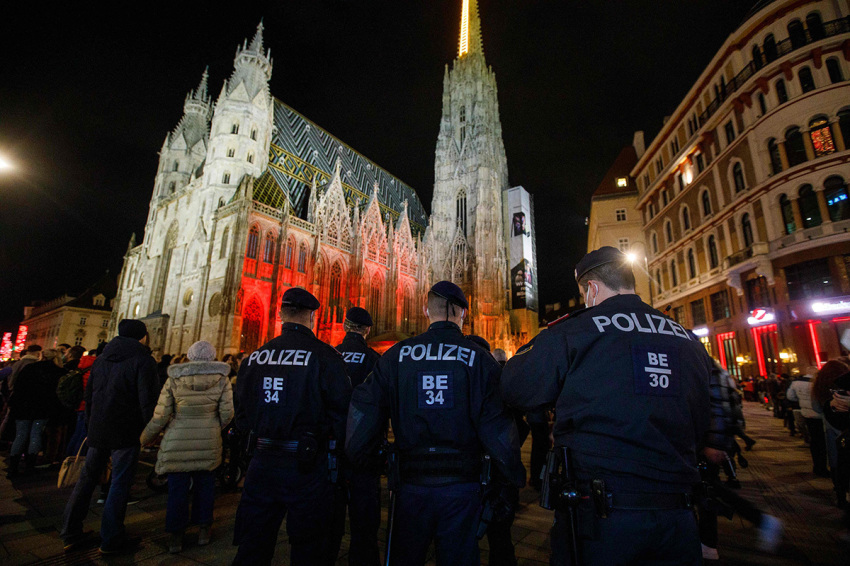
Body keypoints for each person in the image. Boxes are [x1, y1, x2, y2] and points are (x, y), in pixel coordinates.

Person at [500, 246, 713, 565]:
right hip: (679, 516)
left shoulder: (574, 331)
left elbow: (515, 388)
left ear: (592, 288)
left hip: (603, 518)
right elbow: (703, 422)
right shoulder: (688, 341)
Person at [346, 281, 525, 566]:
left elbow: (362, 409)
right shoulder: (480, 360)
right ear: (463, 314)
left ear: (425, 310)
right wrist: (510, 479)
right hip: (463, 487)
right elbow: (499, 428)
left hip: (409, 484)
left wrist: (369, 458)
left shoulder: (396, 356)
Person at [232, 288, 352, 565]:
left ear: (280, 313)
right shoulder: (325, 357)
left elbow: (241, 416)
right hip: (307, 466)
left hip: (261, 463)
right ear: (312, 316)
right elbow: (342, 414)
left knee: (253, 544)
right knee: (309, 547)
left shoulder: (254, 359)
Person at [60, 319, 159, 555]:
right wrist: (151, 431)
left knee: (87, 480)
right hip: (126, 430)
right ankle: (111, 538)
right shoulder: (143, 360)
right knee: (119, 483)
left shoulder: (102, 359)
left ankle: (70, 533)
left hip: (98, 428)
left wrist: (91, 423)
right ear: (142, 337)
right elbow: (148, 402)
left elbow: (90, 394)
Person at [141, 340, 234, 553]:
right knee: (205, 487)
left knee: (177, 490)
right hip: (208, 439)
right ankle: (203, 531)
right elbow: (228, 413)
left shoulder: (174, 379)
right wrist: (213, 426)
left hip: (178, 438)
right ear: (212, 357)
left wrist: (145, 438)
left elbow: (161, 415)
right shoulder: (222, 379)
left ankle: (176, 537)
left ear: (190, 356)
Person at [330, 307, 382, 566]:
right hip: (365, 450)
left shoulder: (329, 356)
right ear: (367, 330)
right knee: (364, 522)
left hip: (330, 451)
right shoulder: (374, 359)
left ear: (345, 326)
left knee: (328, 521)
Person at [7, 349, 66, 476]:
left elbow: (18, 386)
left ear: (42, 356)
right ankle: (30, 465)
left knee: (21, 435)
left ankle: (13, 466)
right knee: (36, 434)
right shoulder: (58, 371)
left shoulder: (30, 368)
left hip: (23, 407)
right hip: (42, 408)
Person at [787, 366, 828, 477]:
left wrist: (801, 401)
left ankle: (817, 466)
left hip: (806, 413)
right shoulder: (818, 382)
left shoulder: (796, 382)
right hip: (820, 414)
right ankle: (823, 466)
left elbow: (790, 396)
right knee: (823, 442)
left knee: (814, 441)